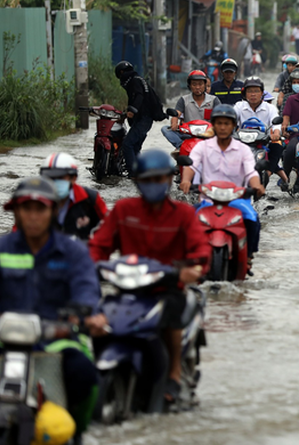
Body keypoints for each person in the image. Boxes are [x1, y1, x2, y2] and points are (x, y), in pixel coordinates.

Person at [89, 150, 210, 403]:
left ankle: (174, 373)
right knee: (99, 319)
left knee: (171, 317)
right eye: (147, 180)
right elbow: (99, 245)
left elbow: (200, 250)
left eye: (159, 179)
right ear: (137, 182)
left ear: (169, 180)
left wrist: (192, 269)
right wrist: (90, 265)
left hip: (168, 288)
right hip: (130, 289)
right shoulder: (124, 209)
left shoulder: (184, 214)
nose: (153, 185)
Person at [0, 176, 106, 434]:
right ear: (16, 212)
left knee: (83, 372)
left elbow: (87, 289)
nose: (33, 216)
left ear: (53, 212)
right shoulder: (2, 248)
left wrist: (87, 314)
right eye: (27, 209)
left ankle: (79, 432)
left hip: (56, 340)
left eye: (40, 209)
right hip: (4, 340)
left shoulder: (73, 252)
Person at [180, 105, 264, 258]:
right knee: (186, 222)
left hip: (237, 200)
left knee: (253, 220)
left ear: (233, 126)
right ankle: (192, 258)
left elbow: (251, 171)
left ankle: (249, 255)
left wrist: (256, 185)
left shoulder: (243, 149)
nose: (223, 127)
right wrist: (186, 180)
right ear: (213, 125)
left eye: (227, 123)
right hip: (208, 199)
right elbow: (191, 165)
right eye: (219, 123)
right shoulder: (202, 147)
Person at [233, 76, 288, 188]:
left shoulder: (269, 108)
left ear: (262, 93)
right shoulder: (239, 106)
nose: (253, 94)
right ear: (245, 93)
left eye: (256, 91)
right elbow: (232, 120)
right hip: (243, 142)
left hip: (264, 141)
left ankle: (268, 172)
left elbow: (276, 123)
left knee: (278, 146)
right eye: (250, 91)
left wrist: (276, 133)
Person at [39, 152, 107, 240]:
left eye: (60, 178)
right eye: (50, 178)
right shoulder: (34, 200)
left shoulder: (90, 199)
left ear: (73, 178)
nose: (54, 182)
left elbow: (109, 229)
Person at [115, 61, 165, 176]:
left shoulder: (134, 81)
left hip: (144, 118)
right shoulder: (139, 79)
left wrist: (132, 110)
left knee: (127, 145)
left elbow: (139, 96)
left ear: (121, 72)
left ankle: (133, 174)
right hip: (145, 118)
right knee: (135, 147)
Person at [162, 70, 220, 150]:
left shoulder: (214, 100)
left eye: (200, 84)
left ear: (205, 85)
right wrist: (174, 122)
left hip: (207, 134)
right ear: (189, 86)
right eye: (194, 84)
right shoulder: (183, 99)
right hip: (188, 133)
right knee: (165, 129)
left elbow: (220, 115)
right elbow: (177, 114)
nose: (197, 87)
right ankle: (181, 146)